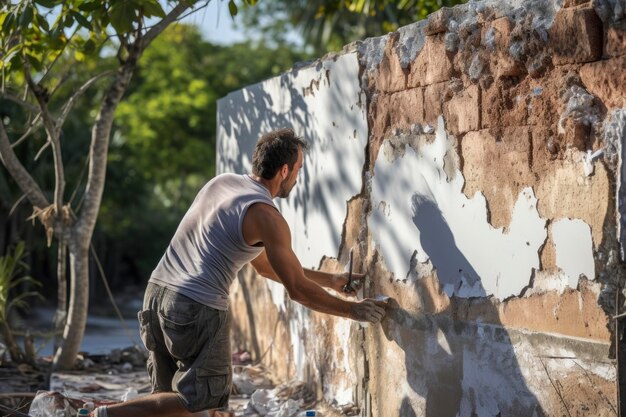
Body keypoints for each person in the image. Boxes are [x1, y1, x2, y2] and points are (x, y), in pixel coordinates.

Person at [91, 128, 388, 417]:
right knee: (201, 400)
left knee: (167, 399)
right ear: (284, 171)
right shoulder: (267, 216)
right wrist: (355, 312)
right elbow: (297, 289)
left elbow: (264, 267)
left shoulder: (222, 183)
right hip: (196, 307)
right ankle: (101, 414)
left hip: (156, 296)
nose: (298, 177)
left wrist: (332, 281)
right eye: (298, 169)